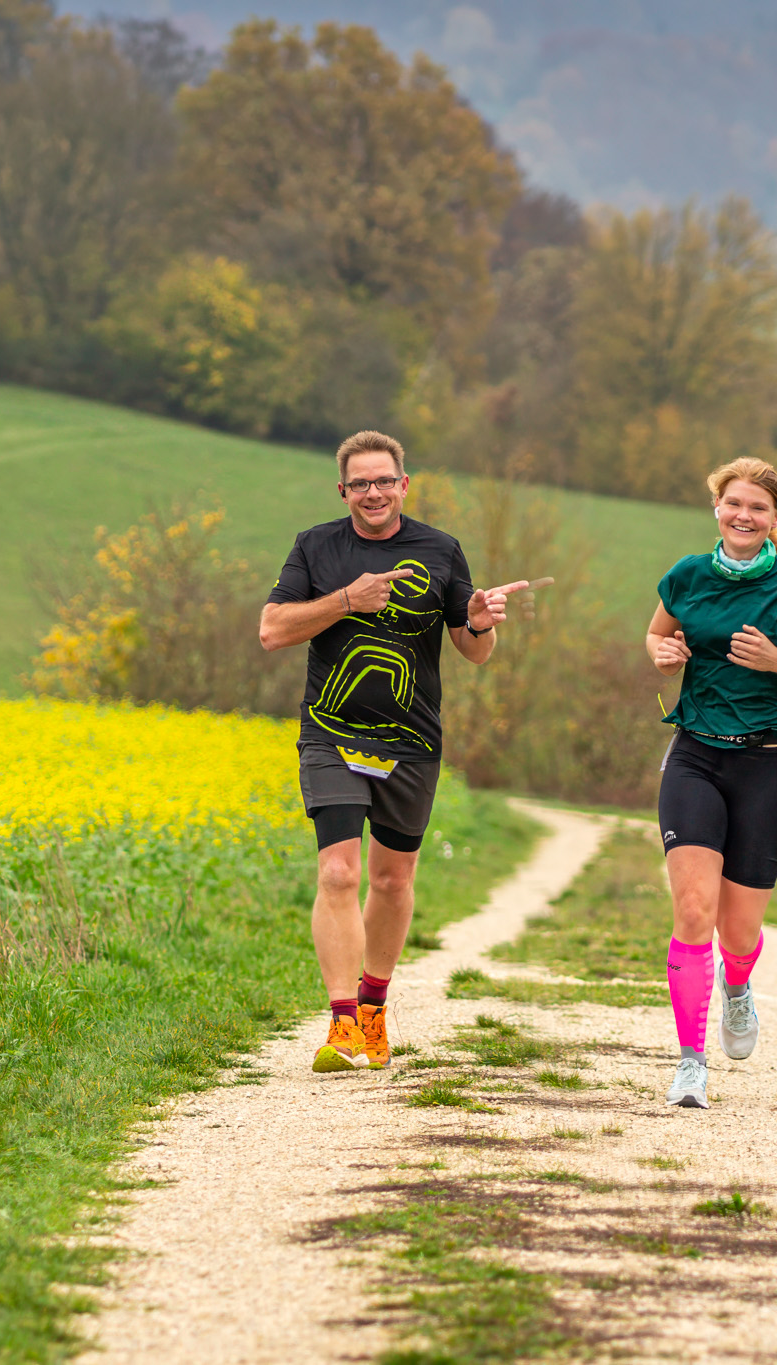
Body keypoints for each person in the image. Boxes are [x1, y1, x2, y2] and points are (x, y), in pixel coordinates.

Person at [260, 431, 527, 1072]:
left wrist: (480, 621)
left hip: (411, 740)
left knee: (391, 879)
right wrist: (346, 600)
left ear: (404, 485)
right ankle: (342, 1022)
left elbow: (474, 651)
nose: (373, 492)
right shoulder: (315, 547)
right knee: (338, 873)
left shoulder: (441, 549)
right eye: (360, 483)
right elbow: (272, 631)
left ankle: (374, 1007)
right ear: (343, 491)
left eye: (384, 481)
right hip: (331, 732)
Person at [644, 457, 777, 1108]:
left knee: (737, 933)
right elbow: (657, 635)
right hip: (695, 757)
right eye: (733, 503)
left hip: (767, 767)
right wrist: (663, 653)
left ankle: (738, 985)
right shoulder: (687, 575)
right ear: (717, 507)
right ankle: (690, 1064)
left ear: (775, 516)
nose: (743, 515)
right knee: (692, 911)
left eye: (758, 507)